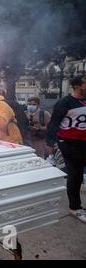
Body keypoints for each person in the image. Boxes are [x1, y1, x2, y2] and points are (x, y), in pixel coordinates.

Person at [46, 75, 86, 223]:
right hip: (69, 143)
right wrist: (50, 143)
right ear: (77, 85)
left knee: (80, 176)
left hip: (84, 143)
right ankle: (75, 207)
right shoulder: (65, 102)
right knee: (75, 175)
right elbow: (54, 123)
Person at [0, 73, 31, 146]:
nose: (0, 84)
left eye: (1, 82)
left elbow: (23, 123)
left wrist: (24, 142)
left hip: (11, 142)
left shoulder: (10, 103)